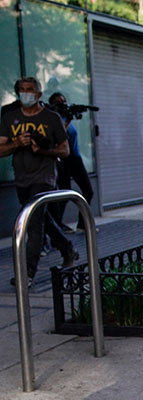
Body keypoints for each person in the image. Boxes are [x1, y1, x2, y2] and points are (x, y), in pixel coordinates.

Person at [0, 77, 78, 286]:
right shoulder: (10, 117)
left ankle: (27, 274)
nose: (26, 93)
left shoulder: (51, 119)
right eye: (22, 90)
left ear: (39, 94)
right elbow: (1, 149)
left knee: (34, 225)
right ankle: (68, 249)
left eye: (30, 90)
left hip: (44, 177)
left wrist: (42, 149)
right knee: (41, 219)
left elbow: (65, 150)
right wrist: (17, 143)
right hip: (21, 177)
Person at [48, 92, 95, 233]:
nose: (62, 104)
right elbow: (59, 136)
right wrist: (67, 120)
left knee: (88, 190)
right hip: (62, 159)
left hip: (74, 157)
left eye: (63, 101)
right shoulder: (53, 120)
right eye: (58, 102)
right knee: (64, 193)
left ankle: (82, 223)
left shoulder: (66, 117)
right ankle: (57, 224)